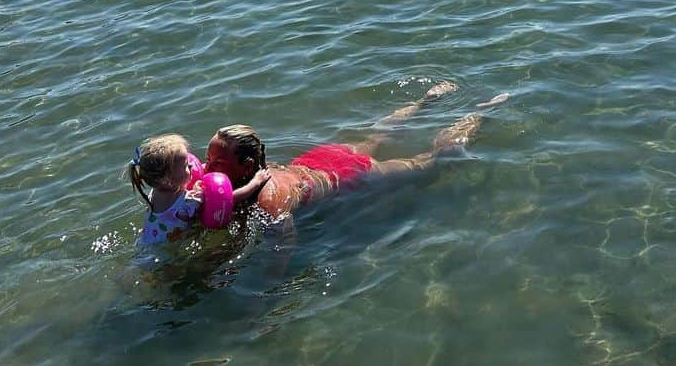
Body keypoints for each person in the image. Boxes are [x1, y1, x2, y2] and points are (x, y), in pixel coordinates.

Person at [204, 84, 509, 221]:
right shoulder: (258, 168)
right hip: (319, 159)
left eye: (216, 161)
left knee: (429, 163)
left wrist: (268, 292)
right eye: (208, 158)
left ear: (245, 165)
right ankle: (424, 101)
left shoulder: (271, 199)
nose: (207, 166)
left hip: (349, 174)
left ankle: (479, 113)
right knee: (377, 135)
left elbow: (283, 242)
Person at [129, 133, 272, 245]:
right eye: (186, 165)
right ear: (168, 180)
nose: (191, 165)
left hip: (146, 242)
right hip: (168, 252)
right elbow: (229, 198)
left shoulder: (155, 192)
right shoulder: (188, 202)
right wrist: (255, 182)